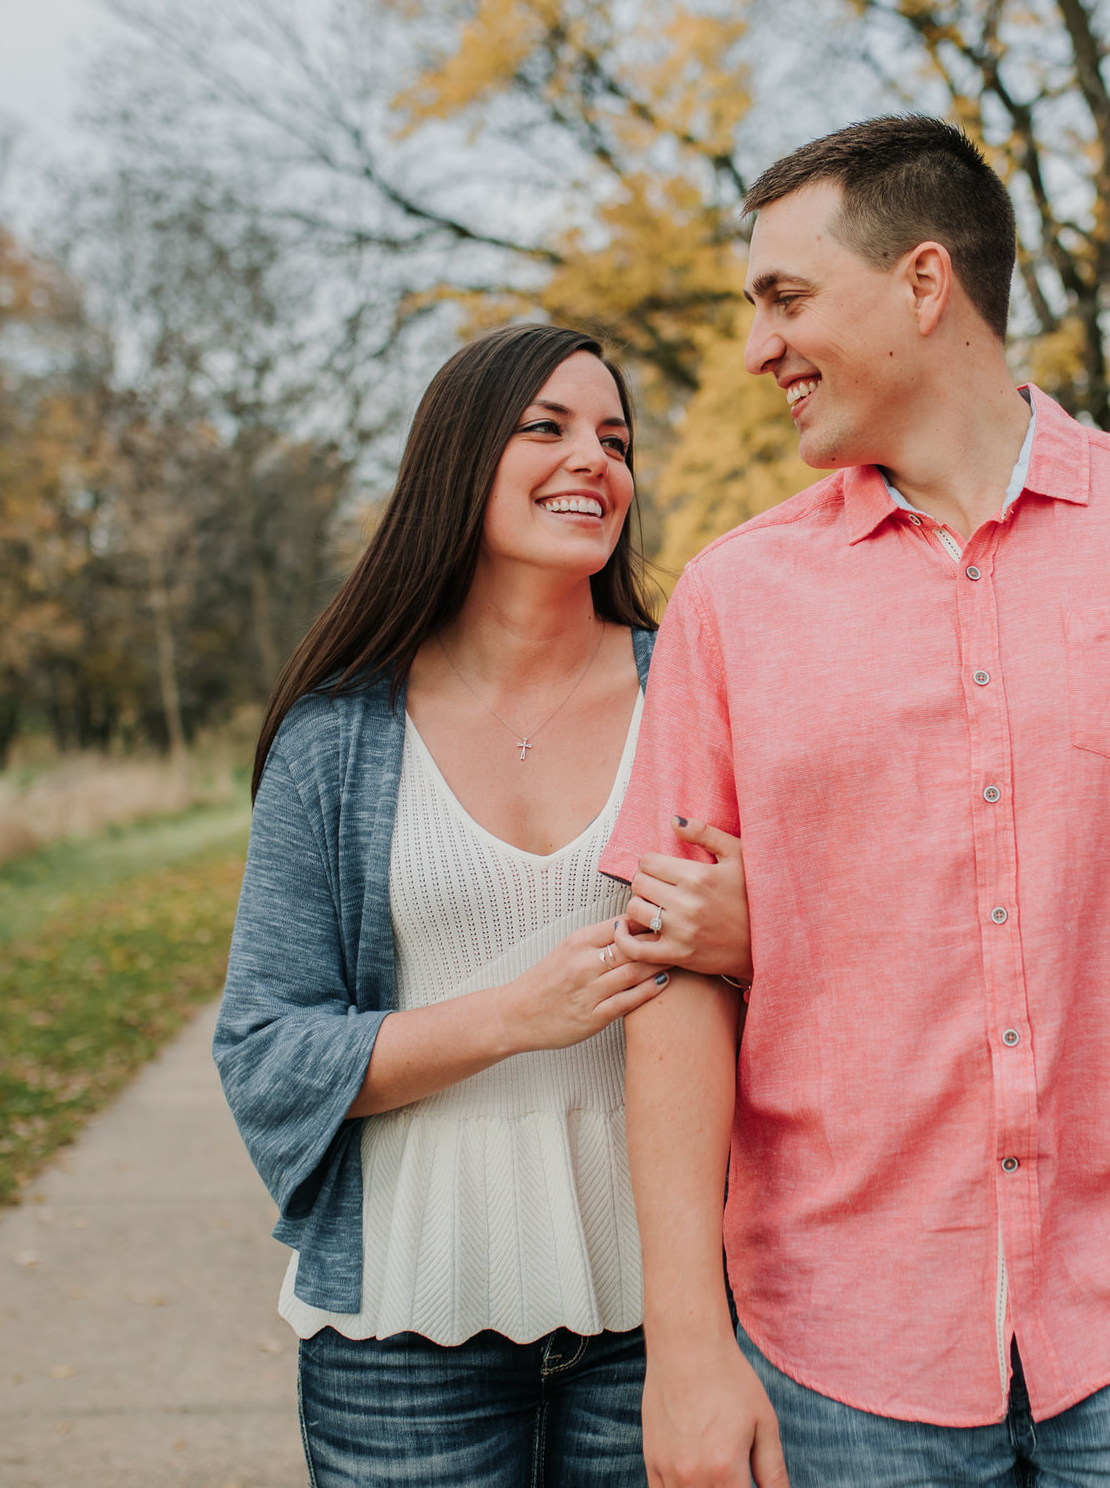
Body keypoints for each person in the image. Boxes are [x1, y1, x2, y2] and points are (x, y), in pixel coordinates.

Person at [601, 117, 1110, 1487]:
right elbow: (672, 969)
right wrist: (687, 1341)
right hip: (839, 1339)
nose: (757, 349)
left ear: (926, 284)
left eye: (785, 299)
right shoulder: (735, 600)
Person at [214, 322, 751, 1488]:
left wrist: (753, 938)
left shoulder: (695, 692)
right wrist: (516, 1012)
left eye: (614, 438)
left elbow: (837, 961)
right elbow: (264, 1051)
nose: (593, 460)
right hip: (401, 1324)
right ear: (459, 458)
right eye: (545, 427)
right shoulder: (337, 738)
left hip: (665, 1313)